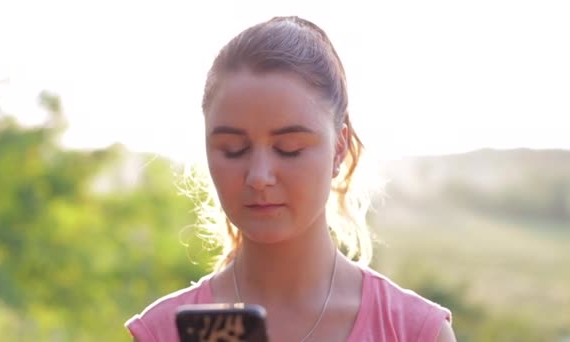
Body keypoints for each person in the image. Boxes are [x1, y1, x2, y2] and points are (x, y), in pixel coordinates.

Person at [125, 16, 456, 341]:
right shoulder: (162, 333)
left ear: (339, 150)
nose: (258, 177)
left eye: (289, 149)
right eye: (233, 149)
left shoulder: (414, 331)